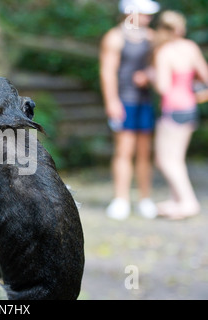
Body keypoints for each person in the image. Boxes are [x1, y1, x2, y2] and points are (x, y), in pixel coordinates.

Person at [100, 0, 160, 220]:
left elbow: (159, 65)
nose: (148, 18)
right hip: (124, 101)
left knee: (145, 152)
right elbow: (108, 72)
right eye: (144, 13)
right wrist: (112, 102)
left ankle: (145, 199)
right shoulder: (115, 37)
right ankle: (121, 199)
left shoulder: (152, 38)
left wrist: (150, 75)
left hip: (145, 102)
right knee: (124, 151)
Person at [152, 11, 208, 220]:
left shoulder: (164, 52)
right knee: (176, 158)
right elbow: (204, 75)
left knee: (166, 160)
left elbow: (163, 86)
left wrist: (151, 75)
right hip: (190, 107)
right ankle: (176, 200)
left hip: (173, 109)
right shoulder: (191, 47)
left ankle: (188, 202)